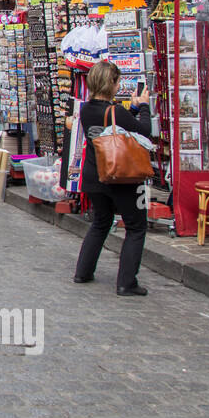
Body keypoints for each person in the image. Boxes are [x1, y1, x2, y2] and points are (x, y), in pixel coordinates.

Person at [73, 59, 153, 296]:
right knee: (136, 227)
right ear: (112, 83)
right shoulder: (116, 111)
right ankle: (127, 282)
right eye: (118, 81)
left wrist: (133, 110)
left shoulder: (86, 109)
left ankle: (83, 271)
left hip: (94, 174)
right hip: (121, 176)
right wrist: (145, 108)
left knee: (100, 222)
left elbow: (114, 123)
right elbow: (145, 131)